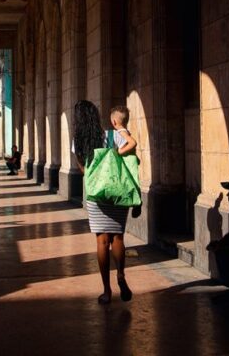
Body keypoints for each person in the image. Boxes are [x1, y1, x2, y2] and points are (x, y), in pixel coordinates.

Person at [73, 101, 137, 305]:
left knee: (102, 240)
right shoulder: (112, 135)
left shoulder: (78, 140)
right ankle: (120, 275)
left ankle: (107, 291)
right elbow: (129, 151)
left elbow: (83, 168)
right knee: (117, 237)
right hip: (116, 191)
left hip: (96, 194)